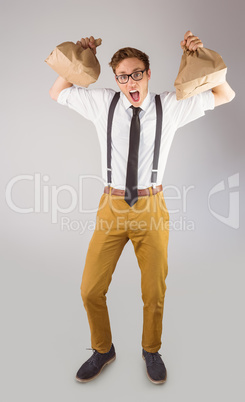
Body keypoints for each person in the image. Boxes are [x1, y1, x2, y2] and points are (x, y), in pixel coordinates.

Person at [49, 31, 235, 384]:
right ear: (115, 79)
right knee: (90, 288)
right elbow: (57, 92)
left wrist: (200, 54)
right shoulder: (103, 102)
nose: (130, 81)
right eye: (122, 76)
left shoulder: (172, 104)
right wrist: (79, 54)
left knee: (153, 290)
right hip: (111, 207)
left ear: (148, 73)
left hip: (152, 206)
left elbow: (225, 93)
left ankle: (151, 349)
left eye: (136, 73)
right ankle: (103, 349)